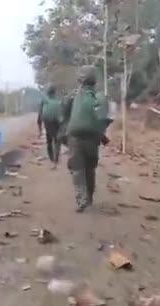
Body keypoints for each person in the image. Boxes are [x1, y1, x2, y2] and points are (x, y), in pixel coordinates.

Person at [63, 66, 113, 212]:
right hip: (92, 140)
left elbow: (64, 116)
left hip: (75, 139)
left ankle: (81, 199)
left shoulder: (72, 97)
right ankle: (89, 197)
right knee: (90, 168)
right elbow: (103, 120)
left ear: (80, 80)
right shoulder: (99, 97)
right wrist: (101, 136)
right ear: (94, 81)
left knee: (77, 169)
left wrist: (65, 132)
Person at [37, 85, 63, 167]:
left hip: (47, 120)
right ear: (55, 92)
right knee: (57, 139)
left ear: (47, 92)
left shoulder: (44, 100)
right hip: (57, 120)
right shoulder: (58, 100)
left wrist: (40, 129)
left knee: (49, 139)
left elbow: (39, 115)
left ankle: (51, 157)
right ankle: (56, 157)